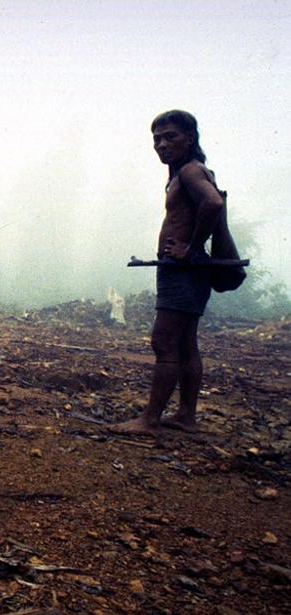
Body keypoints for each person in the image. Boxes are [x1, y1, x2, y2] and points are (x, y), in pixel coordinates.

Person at [110, 110, 224, 437]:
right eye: (156, 139)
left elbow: (213, 204)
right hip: (185, 268)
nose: (161, 144)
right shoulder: (185, 172)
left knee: (164, 340)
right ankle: (185, 416)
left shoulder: (190, 172)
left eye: (170, 136)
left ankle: (149, 420)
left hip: (183, 268)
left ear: (190, 138)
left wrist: (189, 248)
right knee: (186, 342)